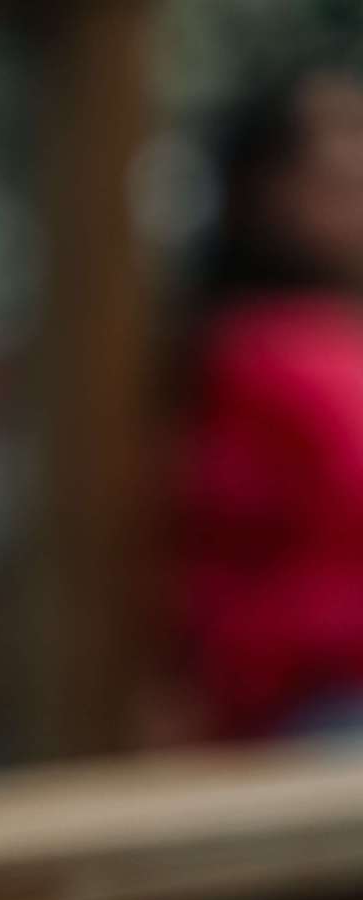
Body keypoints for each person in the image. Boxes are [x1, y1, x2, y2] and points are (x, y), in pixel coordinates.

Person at [172, 66, 363, 738]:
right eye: (334, 176)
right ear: (264, 188)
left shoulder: (331, 337)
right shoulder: (253, 353)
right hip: (308, 715)